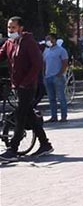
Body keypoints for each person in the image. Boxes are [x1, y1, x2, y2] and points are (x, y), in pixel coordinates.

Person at [0, 17, 53, 162]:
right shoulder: (9, 43)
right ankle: (45, 144)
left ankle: (13, 149)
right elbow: (1, 55)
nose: (10, 30)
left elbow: (37, 64)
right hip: (17, 85)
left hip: (28, 86)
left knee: (20, 115)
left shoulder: (28, 42)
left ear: (21, 28)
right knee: (28, 113)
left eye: (13, 28)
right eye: (9, 28)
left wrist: (25, 82)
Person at [43, 32, 69, 123]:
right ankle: (54, 116)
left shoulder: (61, 50)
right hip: (48, 77)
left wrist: (60, 73)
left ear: (54, 39)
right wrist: (44, 75)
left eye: (49, 39)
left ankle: (63, 116)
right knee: (51, 98)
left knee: (61, 98)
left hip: (57, 77)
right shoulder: (46, 51)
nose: (48, 41)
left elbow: (65, 63)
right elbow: (44, 63)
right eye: (47, 39)